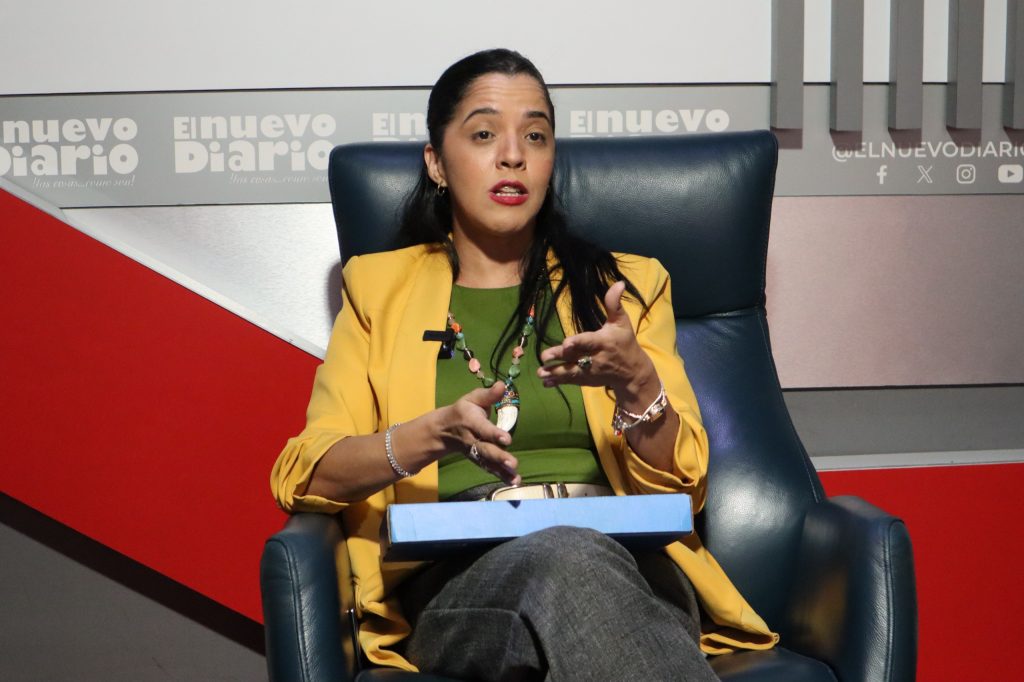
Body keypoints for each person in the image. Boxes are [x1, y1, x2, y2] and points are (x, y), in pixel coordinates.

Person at [271, 48, 778, 680]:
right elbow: (303, 472)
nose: (513, 155)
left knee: (578, 567)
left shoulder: (623, 287)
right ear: (436, 162)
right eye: (484, 134)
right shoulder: (379, 291)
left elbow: (685, 488)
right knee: (566, 561)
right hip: (464, 585)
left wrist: (638, 386)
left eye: (535, 136)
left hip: (632, 569)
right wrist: (429, 436)